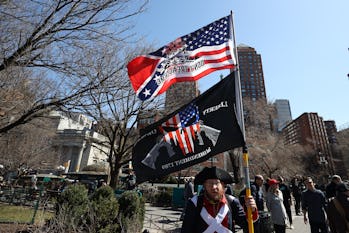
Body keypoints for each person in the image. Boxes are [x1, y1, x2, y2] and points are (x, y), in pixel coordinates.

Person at [181, 166, 259, 233]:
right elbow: (186, 230)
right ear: (204, 186)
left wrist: (252, 211)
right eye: (210, 183)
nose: (214, 187)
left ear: (223, 185)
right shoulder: (194, 203)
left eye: (217, 183)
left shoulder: (232, 202)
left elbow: (248, 226)